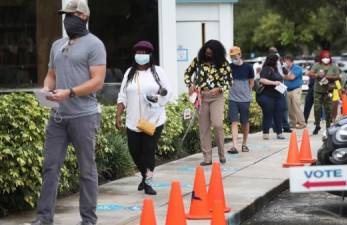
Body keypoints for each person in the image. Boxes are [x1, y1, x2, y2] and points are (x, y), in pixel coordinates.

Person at [26, 1, 106, 225]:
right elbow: (51, 74)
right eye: (65, 15)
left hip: (84, 116)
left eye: (70, 15)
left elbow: (98, 82)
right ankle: (44, 219)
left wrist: (69, 92)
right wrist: (46, 88)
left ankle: (88, 220)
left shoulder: (95, 45)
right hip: (58, 117)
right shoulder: (57, 45)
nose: (66, 19)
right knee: (50, 167)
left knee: (87, 169)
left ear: (83, 16)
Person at [116, 41, 172, 195]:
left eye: (144, 53)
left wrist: (158, 97)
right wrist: (118, 115)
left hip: (153, 119)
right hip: (133, 121)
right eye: (138, 53)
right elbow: (122, 95)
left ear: (150, 55)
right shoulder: (129, 73)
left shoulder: (158, 72)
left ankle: (148, 183)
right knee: (134, 151)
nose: (141, 56)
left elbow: (168, 91)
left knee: (148, 151)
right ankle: (144, 175)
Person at [184, 40, 232, 166]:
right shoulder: (198, 61)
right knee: (204, 128)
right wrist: (191, 85)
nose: (208, 55)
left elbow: (229, 81)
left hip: (216, 96)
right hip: (202, 97)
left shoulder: (223, 63)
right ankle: (207, 158)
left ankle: (222, 153)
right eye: (206, 53)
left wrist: (220, 88)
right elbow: (187, 73)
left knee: (217, 124)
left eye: (211, 54)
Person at [227, 46, 254, 154]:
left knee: (245, 122)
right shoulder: (229, 67)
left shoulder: (248, 67)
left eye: (235, 55)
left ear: (240, 54)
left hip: (245, 99)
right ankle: (235, 146)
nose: (234, 58)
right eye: (232, 56)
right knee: (234, 122)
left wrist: (248, 92)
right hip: (232, 99)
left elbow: (251, 82)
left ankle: (244, 144)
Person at [308, 50, 340, 135]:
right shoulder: (317, 65)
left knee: (328, 109)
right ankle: (317, 125)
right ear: (321, 58)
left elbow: (338, 77)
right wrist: (317, 75)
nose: (326, 59)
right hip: (318, 91)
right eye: (324, 57)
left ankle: (328, 126)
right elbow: (310, 73)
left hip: (328, 91)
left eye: (327, 57)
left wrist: (327, 77)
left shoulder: (334, 66)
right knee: (317, 109)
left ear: (330, 58)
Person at [256, 54, 285, 140]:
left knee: (278, 114)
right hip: (267, 96)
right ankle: (266, 133)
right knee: (268, 114)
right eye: (277, 61)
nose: (278, 62)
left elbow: (281, 78)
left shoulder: (276, 69)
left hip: (278, 95)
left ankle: (279, 132)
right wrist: (274, 83)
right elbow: (262, 80)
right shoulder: (266, 69)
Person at [269, 47, 291, 133]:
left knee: (284, 106)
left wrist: (281, 62)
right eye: (274, 52)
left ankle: (285, 126)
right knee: (275, 107)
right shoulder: (269, 63)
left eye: (276, 52)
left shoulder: (280, 62)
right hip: (273, 86)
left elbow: (286, 72)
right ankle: (275, 126)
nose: (276, 54)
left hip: (281, 85)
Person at [282, 55, 306, 129]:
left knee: (296, 106)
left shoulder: (297, 68)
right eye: (284, 61)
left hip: (296, 89)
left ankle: (302, 123)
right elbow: (282, 76)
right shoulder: (284, 68)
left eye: (287, 61)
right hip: (287, 89)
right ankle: (292, 123)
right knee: (289, 107)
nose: (285, 62)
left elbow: (292, 77)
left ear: (291, 61)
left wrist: (285, 75)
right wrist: (286, 75)